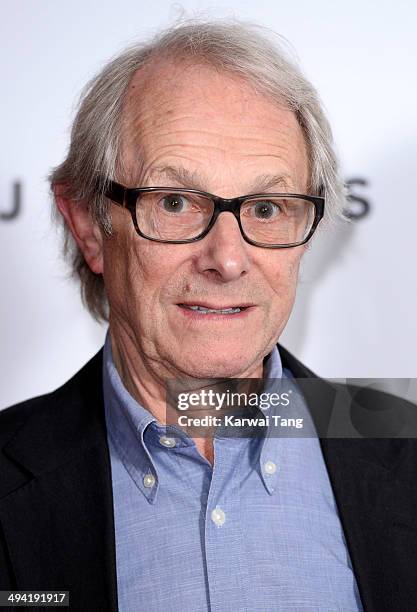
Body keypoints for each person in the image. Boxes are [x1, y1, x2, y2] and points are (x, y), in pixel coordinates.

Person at [0, 19, 415, 612]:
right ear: (90, 226)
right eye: (174, 202)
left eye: (267, 207)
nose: (226, 258)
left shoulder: (405, 456)